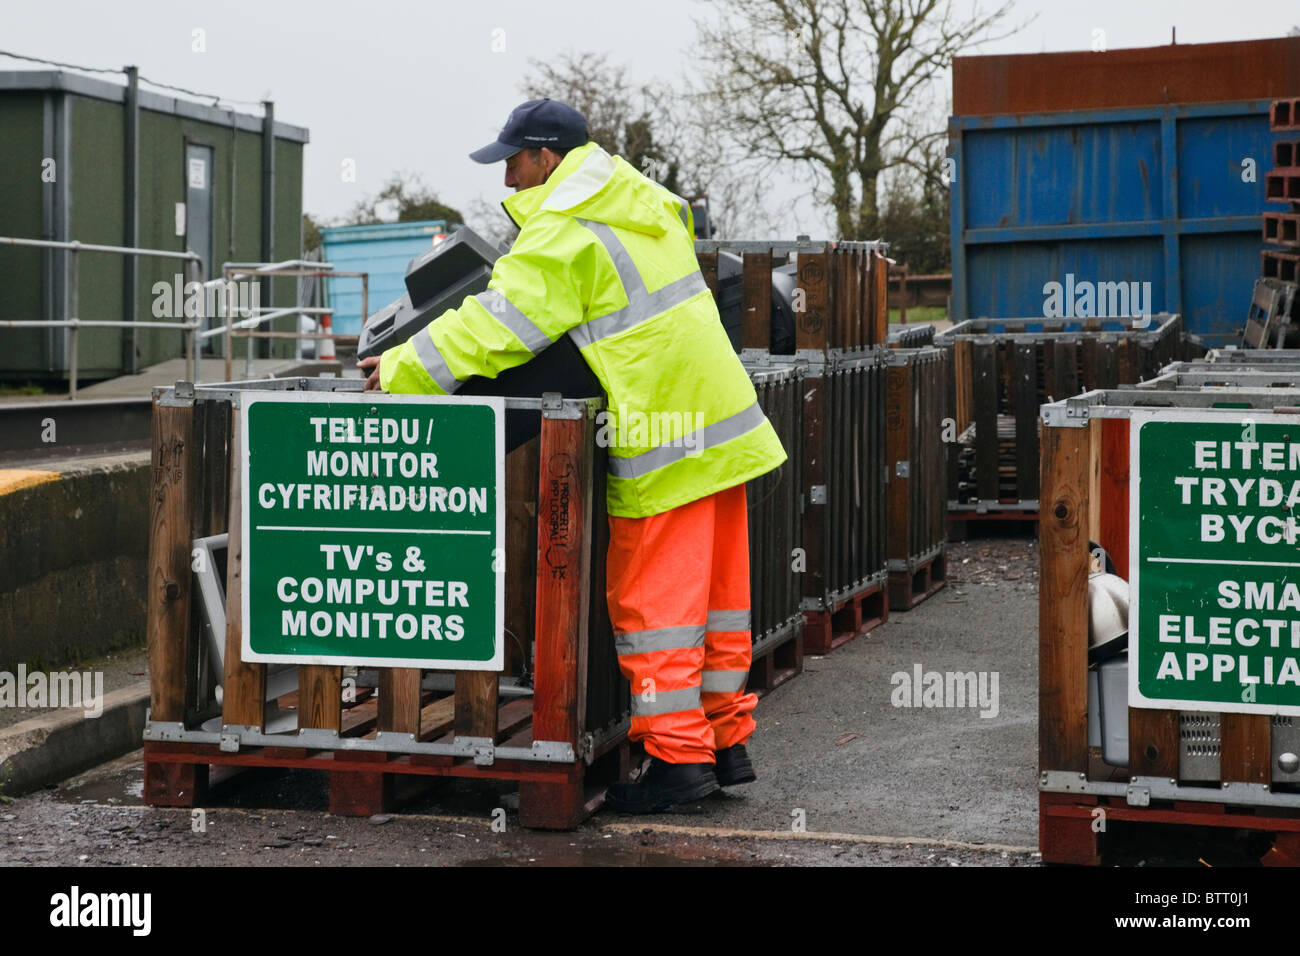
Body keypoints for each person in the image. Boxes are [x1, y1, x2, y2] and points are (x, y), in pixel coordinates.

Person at [358, 98, 787, 812]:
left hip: (663, 439)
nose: (507, 183)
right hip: (720, 429)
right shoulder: (641, 201)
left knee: (659, 609)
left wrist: (403, 368)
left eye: (514, 164)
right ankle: (723, 742)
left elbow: (502, 325)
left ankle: (680, 764)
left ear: (547, 158)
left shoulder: (566, 224)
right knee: (718, 606)